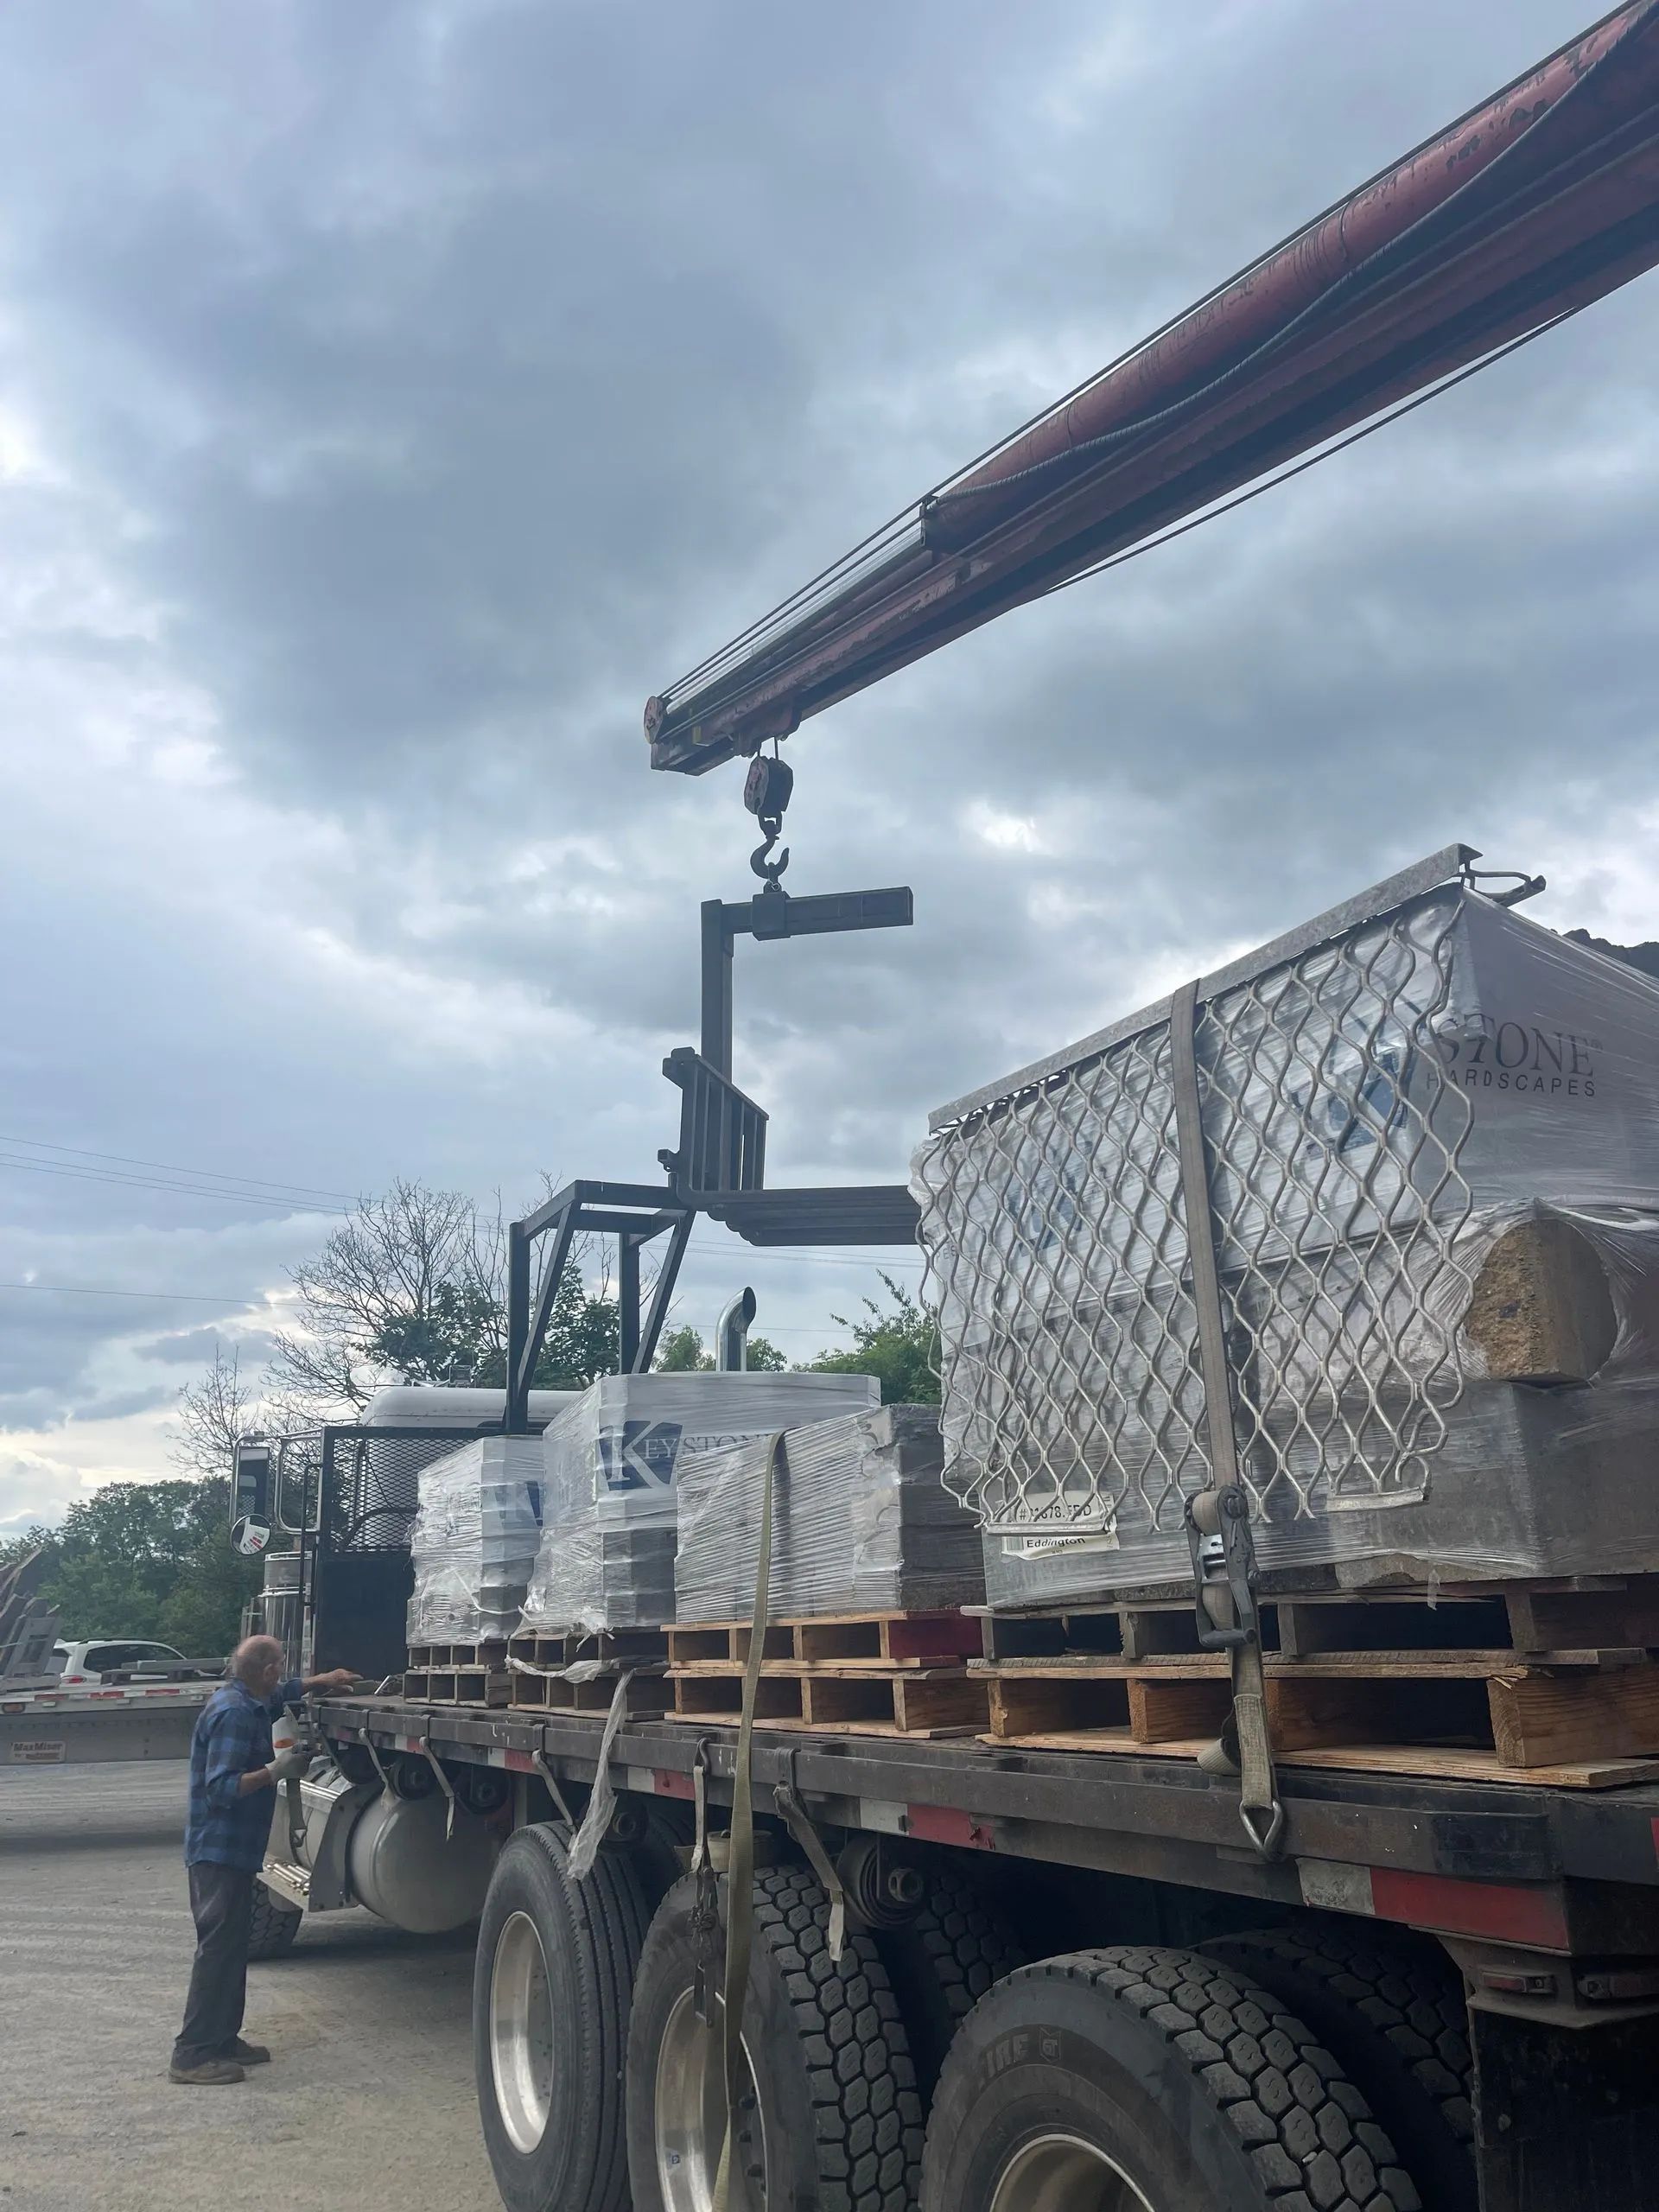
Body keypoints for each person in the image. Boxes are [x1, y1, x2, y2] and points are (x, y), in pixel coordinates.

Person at [169, 1634, 356, 2086]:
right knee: (217, 1950)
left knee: (233, 1948)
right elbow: (222, 1788)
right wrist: (277, 1770)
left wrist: (319, 1682)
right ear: (267, 1671)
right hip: (218, 1850)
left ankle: (222, 2039)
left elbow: (284, 1690)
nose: (284, 1677)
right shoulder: (234, 1714)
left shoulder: (243, 1698)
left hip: (232, 1849)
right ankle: (191, 2055)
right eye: (281, 1669)